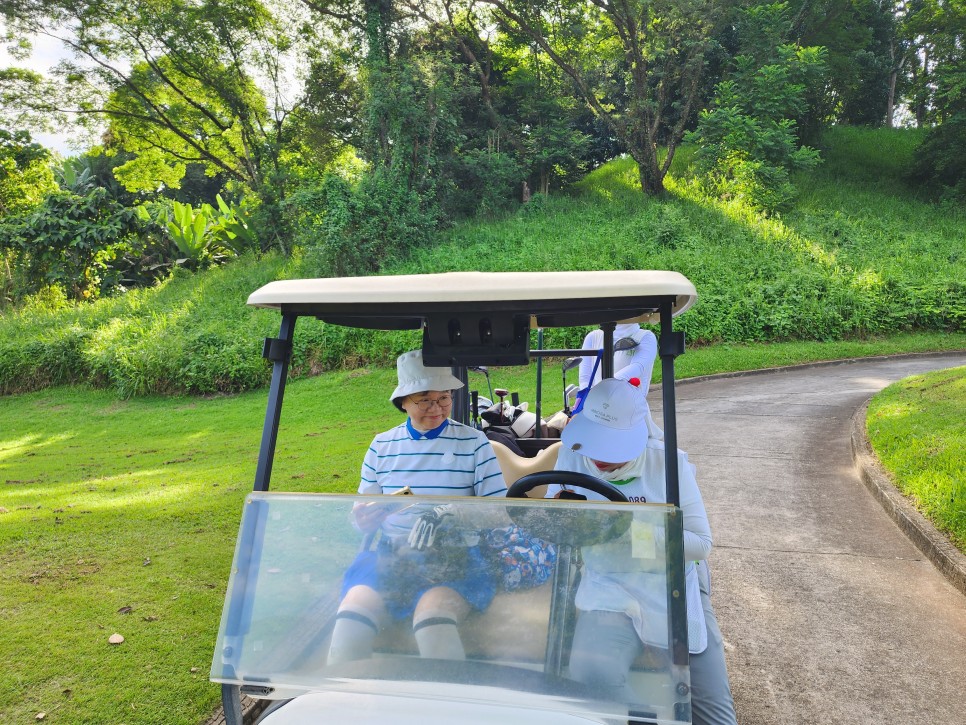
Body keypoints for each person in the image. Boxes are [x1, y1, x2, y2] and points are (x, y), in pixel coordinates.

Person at [547, 376, 737, 725]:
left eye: (611, 446)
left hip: (669, 582)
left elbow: (700, 544)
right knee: (592, 672)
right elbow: (553, 516)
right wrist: (564, 518)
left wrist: (626, 525)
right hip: (608, 583)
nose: (600, 458)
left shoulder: (668, 463)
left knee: (711, 708)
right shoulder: (571, 455)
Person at [327, 350, 508, 666]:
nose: (436, 408)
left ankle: (447, 708)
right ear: (404, 402)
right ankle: (346, 705)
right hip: (392, 555)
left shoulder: (474, 443)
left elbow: (501, 511)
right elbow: (362, 513)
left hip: (456, 557)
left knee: (432, 622)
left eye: (444, 398)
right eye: (425, 400)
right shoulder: (381, 446)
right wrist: (362, 518)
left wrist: (452, 512)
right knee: (350, 620)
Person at [578, 321, 657, 392]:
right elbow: (585, 379)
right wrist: (589, 398)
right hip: (597, 404)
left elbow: (638, 367)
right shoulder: (592, 337)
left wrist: (603, 391)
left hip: (630, 405)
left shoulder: (646, 337)